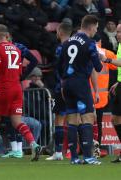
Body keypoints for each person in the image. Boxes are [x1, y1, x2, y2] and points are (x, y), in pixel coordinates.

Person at [0, 24, 41, 162]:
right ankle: (34, 144)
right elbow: (20, 72)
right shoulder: (16, 49)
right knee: (17, 121)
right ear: (6, 35)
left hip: (3, 88)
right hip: (17, 88)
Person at [58, 15, 104, 165]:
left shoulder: (66, 42)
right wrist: (99, 56)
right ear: (91, 27)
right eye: (96, 28)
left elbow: (59, 66)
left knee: (72, 119)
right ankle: (89, 157)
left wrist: (64, 83)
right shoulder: (90, 43)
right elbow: (98, 67)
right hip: (81, 84)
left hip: (67, 84)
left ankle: (74, 158)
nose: (95, 31)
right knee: (88, 117)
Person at [46, 21, 73, 161]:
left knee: (60, 119)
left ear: (60, 32)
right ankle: (73, 151)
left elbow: (59, 69)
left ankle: (58, 152)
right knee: (75, 119)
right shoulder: (76, 47)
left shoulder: (60, 48)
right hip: (75, 87)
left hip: (61, 87)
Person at [101, 24, 121, 163]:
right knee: (115, 119)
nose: (118, 34)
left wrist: (106, 59)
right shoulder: (120, 45)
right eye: (118, 32)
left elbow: (120, 62)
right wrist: (119, 82)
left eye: (120, 32)